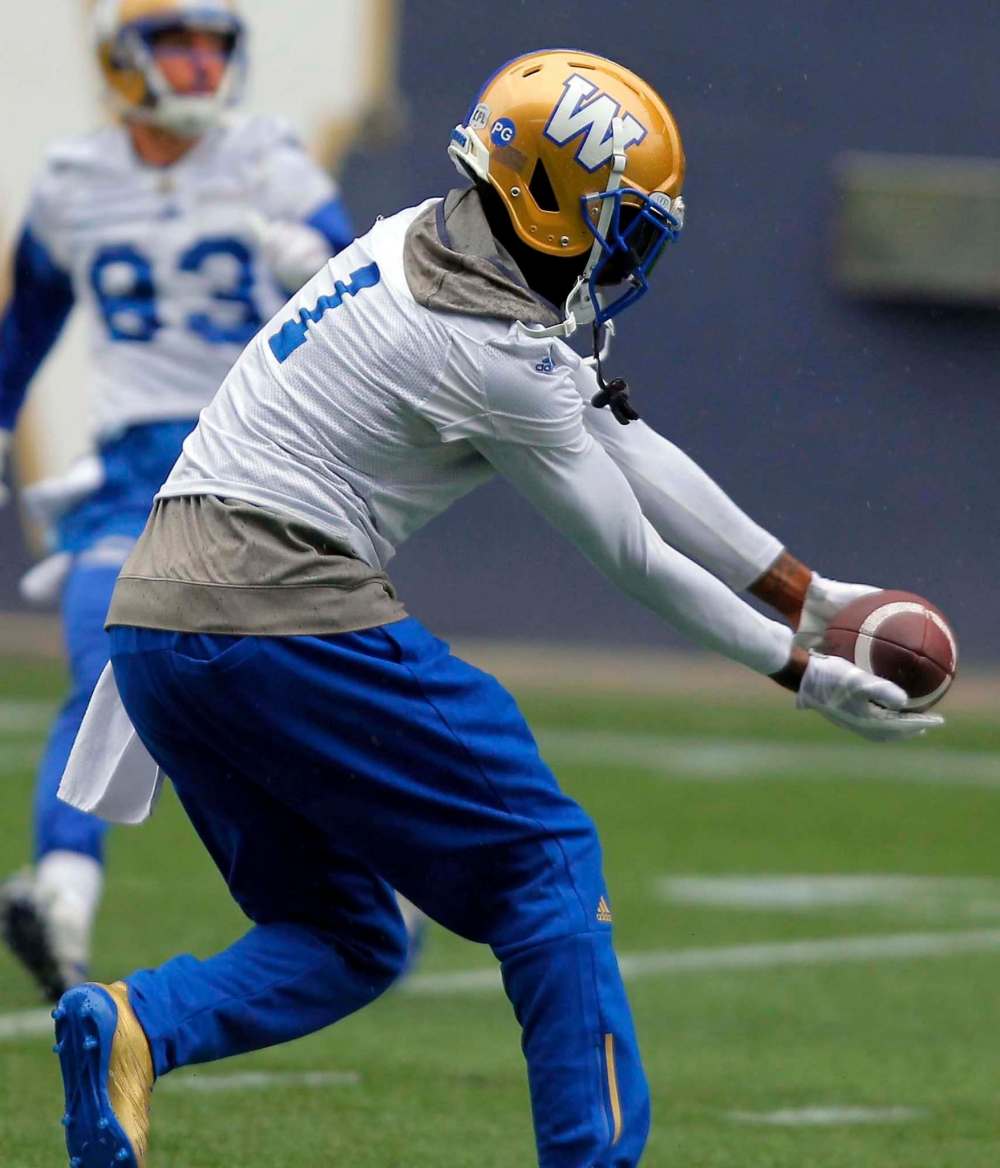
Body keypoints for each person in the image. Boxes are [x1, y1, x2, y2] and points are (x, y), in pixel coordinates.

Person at [52, 49, 942, 1168]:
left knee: (348, 931)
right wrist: (799, 670)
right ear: (550, 199)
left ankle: (135, 1025)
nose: (627, 248)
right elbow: (631, 553)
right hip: (277, 604)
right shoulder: (484, 350)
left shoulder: (417, 237)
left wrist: (809, 594)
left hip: (159, 625)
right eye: (617, 219)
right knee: (546, 862)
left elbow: (626, 443)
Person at [0, 0, 355, 1001]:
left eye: (215, 46)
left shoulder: (268, 161)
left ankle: (372, 868)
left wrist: (316, 272)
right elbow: (25, 328)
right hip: (126, 474)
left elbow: (373, 301)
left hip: (255, 464)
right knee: (105, 654)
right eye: (178, 45)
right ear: (124, 61)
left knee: (290, 691)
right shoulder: (76, 183)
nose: (201, 65)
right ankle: (60, 897)